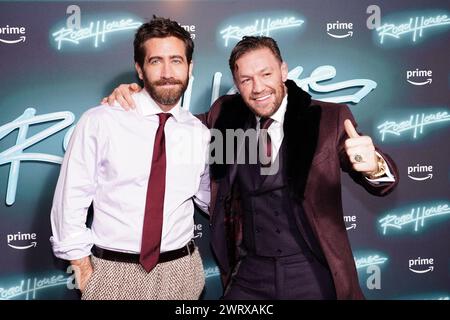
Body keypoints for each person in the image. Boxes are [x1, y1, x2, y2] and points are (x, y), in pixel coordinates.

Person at [104, 36, 399, 299]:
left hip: (312, 270)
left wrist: (372, 166)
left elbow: (383, 181)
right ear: (237, 83)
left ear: (283, 71)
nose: (258, 88)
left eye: (266, 74)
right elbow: (174, 121)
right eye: (245, 80)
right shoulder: (225, 115)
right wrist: (136, 94)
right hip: (250, 273)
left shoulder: (328, 118)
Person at [50, 16, 210, 300]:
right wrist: (83, 270)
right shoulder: (101, 121)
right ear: (139, 68)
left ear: (189, 67)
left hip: (183, 271)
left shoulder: (198, 132)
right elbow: (70, 200)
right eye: (155, 61)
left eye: (176, 60)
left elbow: (212, 198)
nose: (167, 72)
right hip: (113, 272)